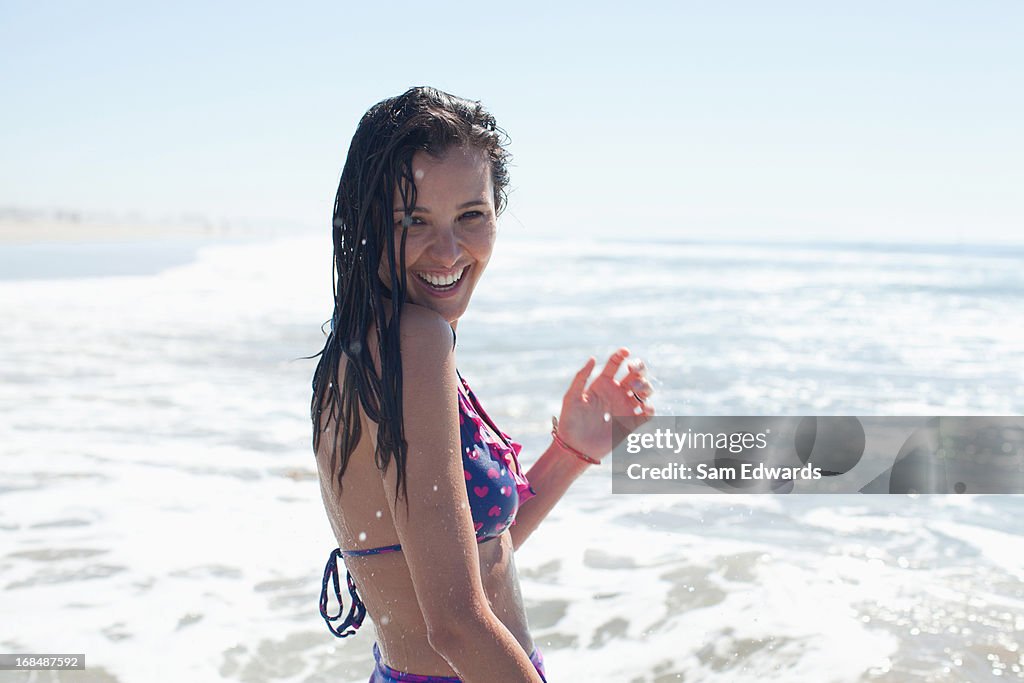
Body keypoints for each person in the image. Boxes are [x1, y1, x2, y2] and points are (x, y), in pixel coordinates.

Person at [310, 86, 655, 683]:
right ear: (368, 222)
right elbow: (455, 626)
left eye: (470, 216)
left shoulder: (359, 347)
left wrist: (570, 454)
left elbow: (465, 569)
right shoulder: (412, 343)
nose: (448, 250)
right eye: (413, 220)